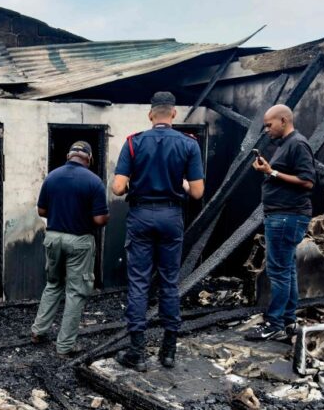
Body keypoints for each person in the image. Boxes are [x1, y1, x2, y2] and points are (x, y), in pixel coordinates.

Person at [112, 91, 205, 371]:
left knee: (139, 282)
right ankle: (168, 353)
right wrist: (181, 186)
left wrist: (136, 185)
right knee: (169, 281)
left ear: (151, 114)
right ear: (173, 114)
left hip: (141, 215)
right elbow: (197, 192)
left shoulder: (133, 143)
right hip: (171, 216)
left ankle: (137, 354)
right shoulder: (189, 145)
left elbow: (117, 188)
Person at [30, 141, 110, 358]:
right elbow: (100, 219)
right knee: (76, 292)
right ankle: (65, 346)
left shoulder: (52, 177)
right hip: (80, 241)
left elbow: (42, 209)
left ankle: (38, 331)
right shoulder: (94, 182)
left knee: (53, 284)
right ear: (89, 159)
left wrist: (61, 214)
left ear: (68, 155)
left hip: (53, 238)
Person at [245, 104, 316, 342]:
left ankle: (274, 323)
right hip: (282, 215)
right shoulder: (286, 144)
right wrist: (269, 170)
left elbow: (307, 181)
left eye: (269, 125)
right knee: (286, 270)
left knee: (278, 271)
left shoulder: (297, 144)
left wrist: (272, 173)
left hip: (287, 216)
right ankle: (287, 322)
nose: (266, 130)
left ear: (283, 120)